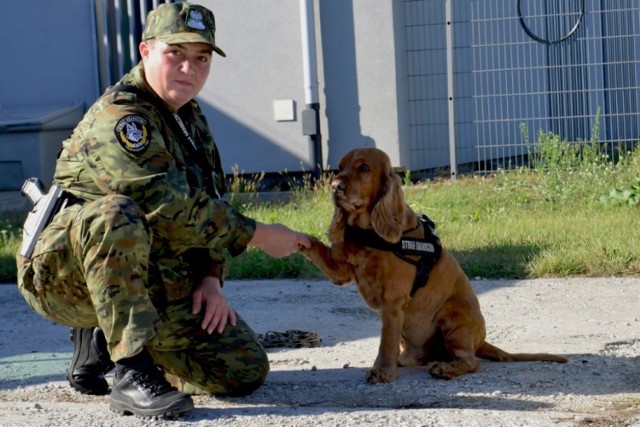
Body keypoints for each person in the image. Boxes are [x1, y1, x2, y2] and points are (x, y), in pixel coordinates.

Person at [16, 2, 310, 418]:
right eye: (176, 54)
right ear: (146, 51)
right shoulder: (122, 118)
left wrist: (210, 277)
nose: (189, 69)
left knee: (241, 369)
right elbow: (167, 206)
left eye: (201, 58)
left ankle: (108, 338)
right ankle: (131, 371)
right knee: (116, 214)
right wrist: (262, 235)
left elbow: (211, 198)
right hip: (62, 274)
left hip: (141, 269)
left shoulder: (187, 117)